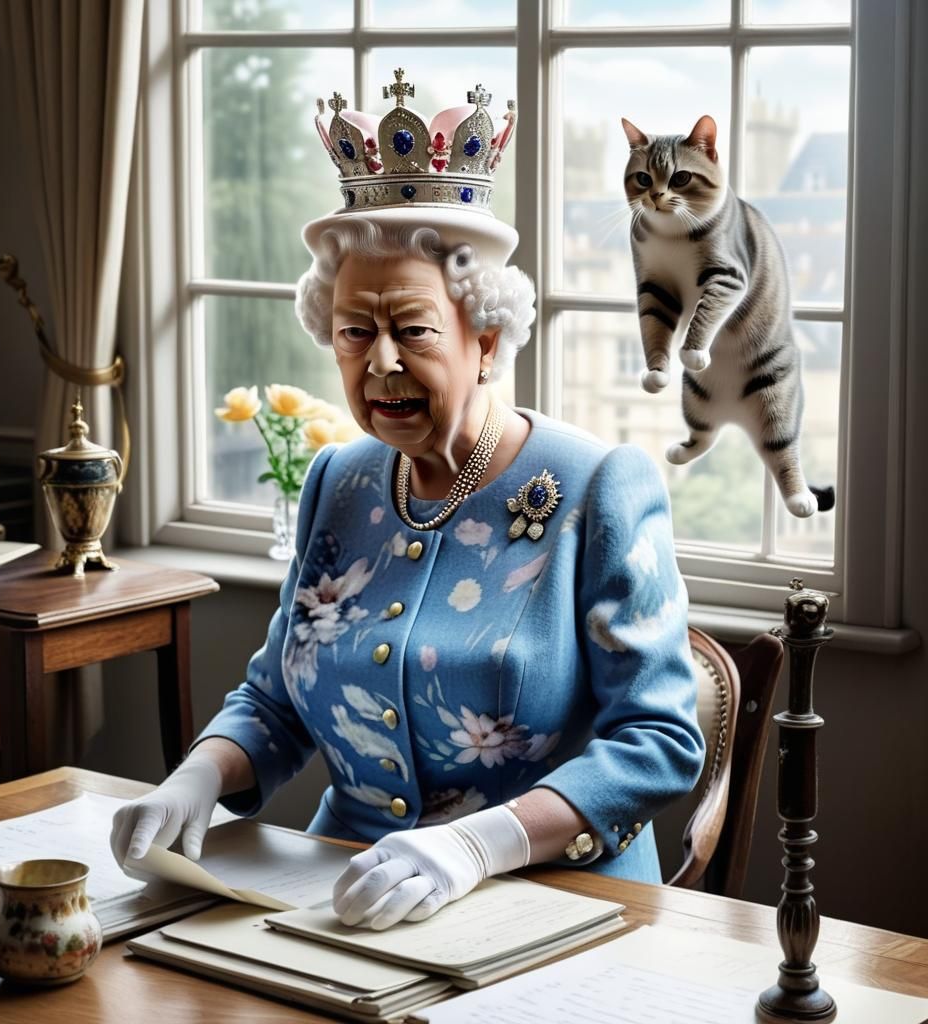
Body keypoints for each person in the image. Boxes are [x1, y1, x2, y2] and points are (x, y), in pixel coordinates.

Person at [111, 73, 704, 931]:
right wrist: (197, 774)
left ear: (487, 337)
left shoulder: (598, 486)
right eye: (355, 331)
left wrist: (479, 844)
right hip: (344, 891)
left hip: (554, 904)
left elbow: (658, 740)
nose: (380, 362)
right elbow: (278, 696)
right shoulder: (339, 482)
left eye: (413, 330)